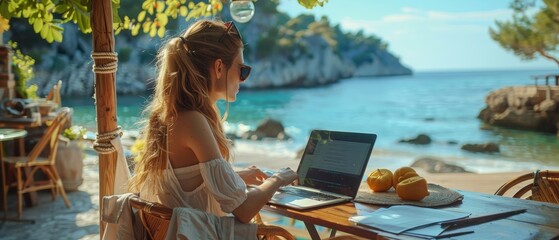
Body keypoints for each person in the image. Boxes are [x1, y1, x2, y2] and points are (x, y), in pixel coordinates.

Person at [127, 19, 298, 232]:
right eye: (242, 70)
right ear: (219, 67)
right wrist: (277, 179)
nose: (243, 79)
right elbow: (243, 210)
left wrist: (234, 176)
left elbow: (185, 183)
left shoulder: (169, 116)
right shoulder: (193, 120)